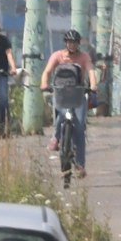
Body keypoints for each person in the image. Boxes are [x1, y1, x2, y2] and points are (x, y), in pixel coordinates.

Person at [41, 28, 97, 176]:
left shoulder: (84, 57)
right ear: (66, 43)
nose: (72, 45)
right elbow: (47, 71)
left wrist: (93, 87)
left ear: (78, 44)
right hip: (61, 93)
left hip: (78, 94)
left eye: (74, 42)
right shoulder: (57, 56)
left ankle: (80, 165)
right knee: (61, 114)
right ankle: (56, 137)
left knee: (79, 128)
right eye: (69, 42)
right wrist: (44, 84)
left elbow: (90, 71)